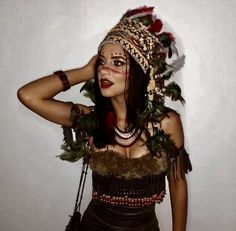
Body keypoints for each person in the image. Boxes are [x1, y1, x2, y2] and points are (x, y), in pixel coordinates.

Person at [17, 6, 192, 231]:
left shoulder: (166, 122)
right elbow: (28, 96)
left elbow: (177, 183)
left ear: (140, 71)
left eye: (117, 63)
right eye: (102, 62)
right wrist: (83, 72)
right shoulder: (90, 119)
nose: (104, 70)